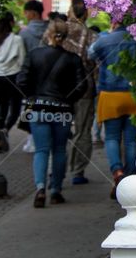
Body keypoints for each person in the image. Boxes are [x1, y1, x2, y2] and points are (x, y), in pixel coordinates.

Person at [17, 18, 87, 208]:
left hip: (38, 109)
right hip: (62, 110)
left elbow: (22, 80)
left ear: (48, 33)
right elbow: (83, 86)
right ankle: (56, 189)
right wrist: (68, 99)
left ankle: (40, 188)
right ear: (66, 36)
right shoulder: (73, 59)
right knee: (59, 150)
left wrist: (32, 96)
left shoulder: (34, 55)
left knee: (41, 150)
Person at [46, 0, 97, 185]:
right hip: (84, 87)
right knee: (82, 131)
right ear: (86, 13)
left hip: (58, 88)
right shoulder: (91, 36)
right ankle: (77, 171)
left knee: (57, 130)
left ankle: (54, 172)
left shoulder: (57, 32)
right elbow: (95, 64)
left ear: (69, 11)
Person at [88, 21, 136, 199]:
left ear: (113, 21)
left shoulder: (104, 40)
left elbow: (90, 54)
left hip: (110, 94)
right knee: (131, 140)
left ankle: (117, 172)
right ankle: (131, 178)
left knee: (111, 137)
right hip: (134, 95)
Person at [0, 12, 26, 153]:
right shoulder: (17, 39)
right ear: (11, 23)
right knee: (15, 110)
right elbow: (22, 60)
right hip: (14, 77)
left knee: (2, 108)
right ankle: (5, 129)